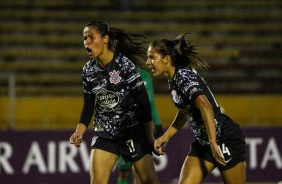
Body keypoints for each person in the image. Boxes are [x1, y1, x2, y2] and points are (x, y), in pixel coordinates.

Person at [146, 33, 246, 184]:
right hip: (204, 142)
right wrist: (165, 137)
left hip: (224, 138)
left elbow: (206, 107)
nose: (148, 62)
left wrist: (213, 142)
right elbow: (187, 110)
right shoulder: (173, 80)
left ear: (166, 59)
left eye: (152, 57)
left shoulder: (183, 77)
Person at [69, 20, 159, 184]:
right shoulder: (88, 70)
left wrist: (148, 136)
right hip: (105, 135)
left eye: (91, 37)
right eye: (84, 38)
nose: (86, 42)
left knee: (148, 181)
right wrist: (79, 131)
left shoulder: (124, 65)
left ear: (105, 39)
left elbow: (144, 102)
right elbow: (89, 104)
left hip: (133, 132)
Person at [116, 68, 164, 184]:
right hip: (123, 128)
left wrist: (158, 125)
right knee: (124, 170)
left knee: (140, 172)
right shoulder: (117, 74)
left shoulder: (145, 76)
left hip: (141, 129)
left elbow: (150, 103)